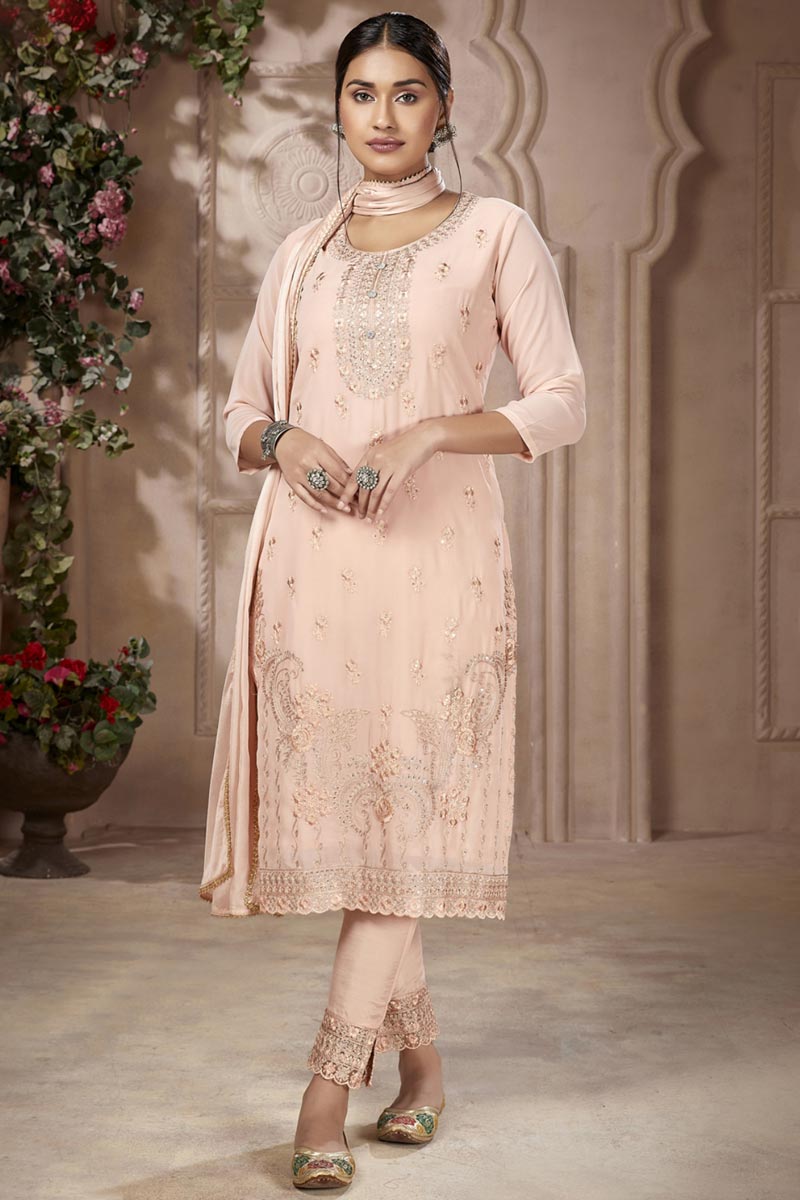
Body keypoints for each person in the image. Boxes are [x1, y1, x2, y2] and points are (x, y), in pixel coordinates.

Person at [199, 11, 586, 1190]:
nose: (381, 115)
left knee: (403, 823)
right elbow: (236, 416)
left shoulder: (494, 232)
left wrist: (427, 432)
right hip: (312, 572)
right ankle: (420, 1073)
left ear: (443, 107)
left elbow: (561, 399)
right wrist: (285, 438)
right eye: (360, 93)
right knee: (373, 834)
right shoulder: (303, 252)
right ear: (338, 107)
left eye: (405, 93)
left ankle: (324, 1092)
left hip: (435, 571)